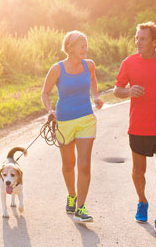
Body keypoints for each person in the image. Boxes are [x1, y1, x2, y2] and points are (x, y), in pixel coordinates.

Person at [113, 21, 156, 236]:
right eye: (136, 38)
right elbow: (117, 90)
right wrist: (128, 92)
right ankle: (142, 201)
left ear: (154, 42)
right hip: (138, 126)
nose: (138, 42)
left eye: (142, 38)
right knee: (138, 171)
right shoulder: (129, 63)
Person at [41, 30, 103, 223]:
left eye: (86, 44)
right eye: (81, 44)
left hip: (86, 119)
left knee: (84, 165)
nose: (85, 47)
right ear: (70, 48)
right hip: (64, 122)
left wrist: (95, 96)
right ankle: (71, 194)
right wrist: (50, 110)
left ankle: (81, 207)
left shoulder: (89, 65)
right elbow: (45, 92)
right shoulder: (57, 69)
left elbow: (92, 79)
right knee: (69, 165)